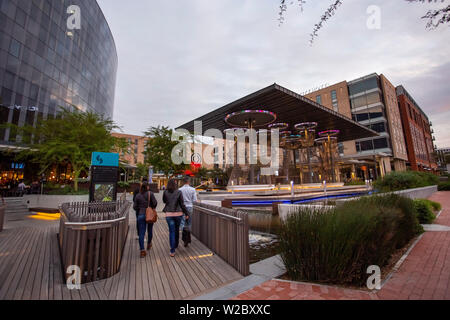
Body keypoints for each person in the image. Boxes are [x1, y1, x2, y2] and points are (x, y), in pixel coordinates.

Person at [163, 179, 189, 257]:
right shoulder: (178, 192)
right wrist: (186, 213)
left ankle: (172, 250)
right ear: (175, 184)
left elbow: (164, 201)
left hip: (169, 214)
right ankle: (176, 244)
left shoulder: (165, 192)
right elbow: (182, 204)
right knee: (177, 229)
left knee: (171, 231)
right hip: (178, 214)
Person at [133, 182, 158, 258]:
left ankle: (142, 250)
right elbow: (155, 203)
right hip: (149, 215)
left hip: (141, 215)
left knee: (141, 233)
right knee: (150, 230)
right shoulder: (150, 193)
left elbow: (134, 207)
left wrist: (140, 209)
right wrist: (151, 207)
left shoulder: (138, 195)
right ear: (147, 187)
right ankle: (149, 243)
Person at [179, 176, 197, 247]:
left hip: (182, 207)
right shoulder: (193, 189)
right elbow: (194, 200)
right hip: (189, 207)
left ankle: (184, 239)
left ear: (183, 182)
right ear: (189, 181)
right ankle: (188, 239)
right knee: (189, 223)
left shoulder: (180, 189)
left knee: (183, 223)